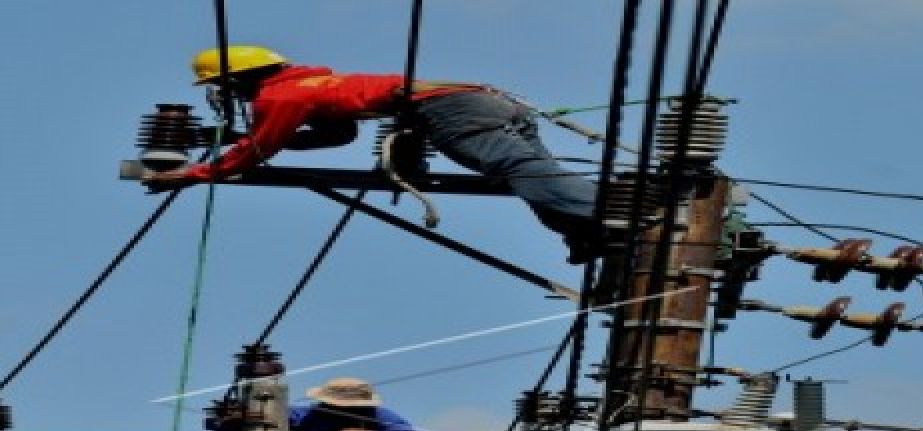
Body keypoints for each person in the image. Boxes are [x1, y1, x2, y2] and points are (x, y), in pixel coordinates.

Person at [143, 45, 603, 263]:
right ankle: (587, 233)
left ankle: (610, 212)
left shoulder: (277, 99)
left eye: (220, 84)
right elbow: (335, 136)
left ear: (236, 80)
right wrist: (243, 145)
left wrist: (195, 172)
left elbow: (258, 150)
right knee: (530, 175)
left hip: (449, 109)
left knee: (521, 171)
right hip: (483, 100)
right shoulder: (310, 85)